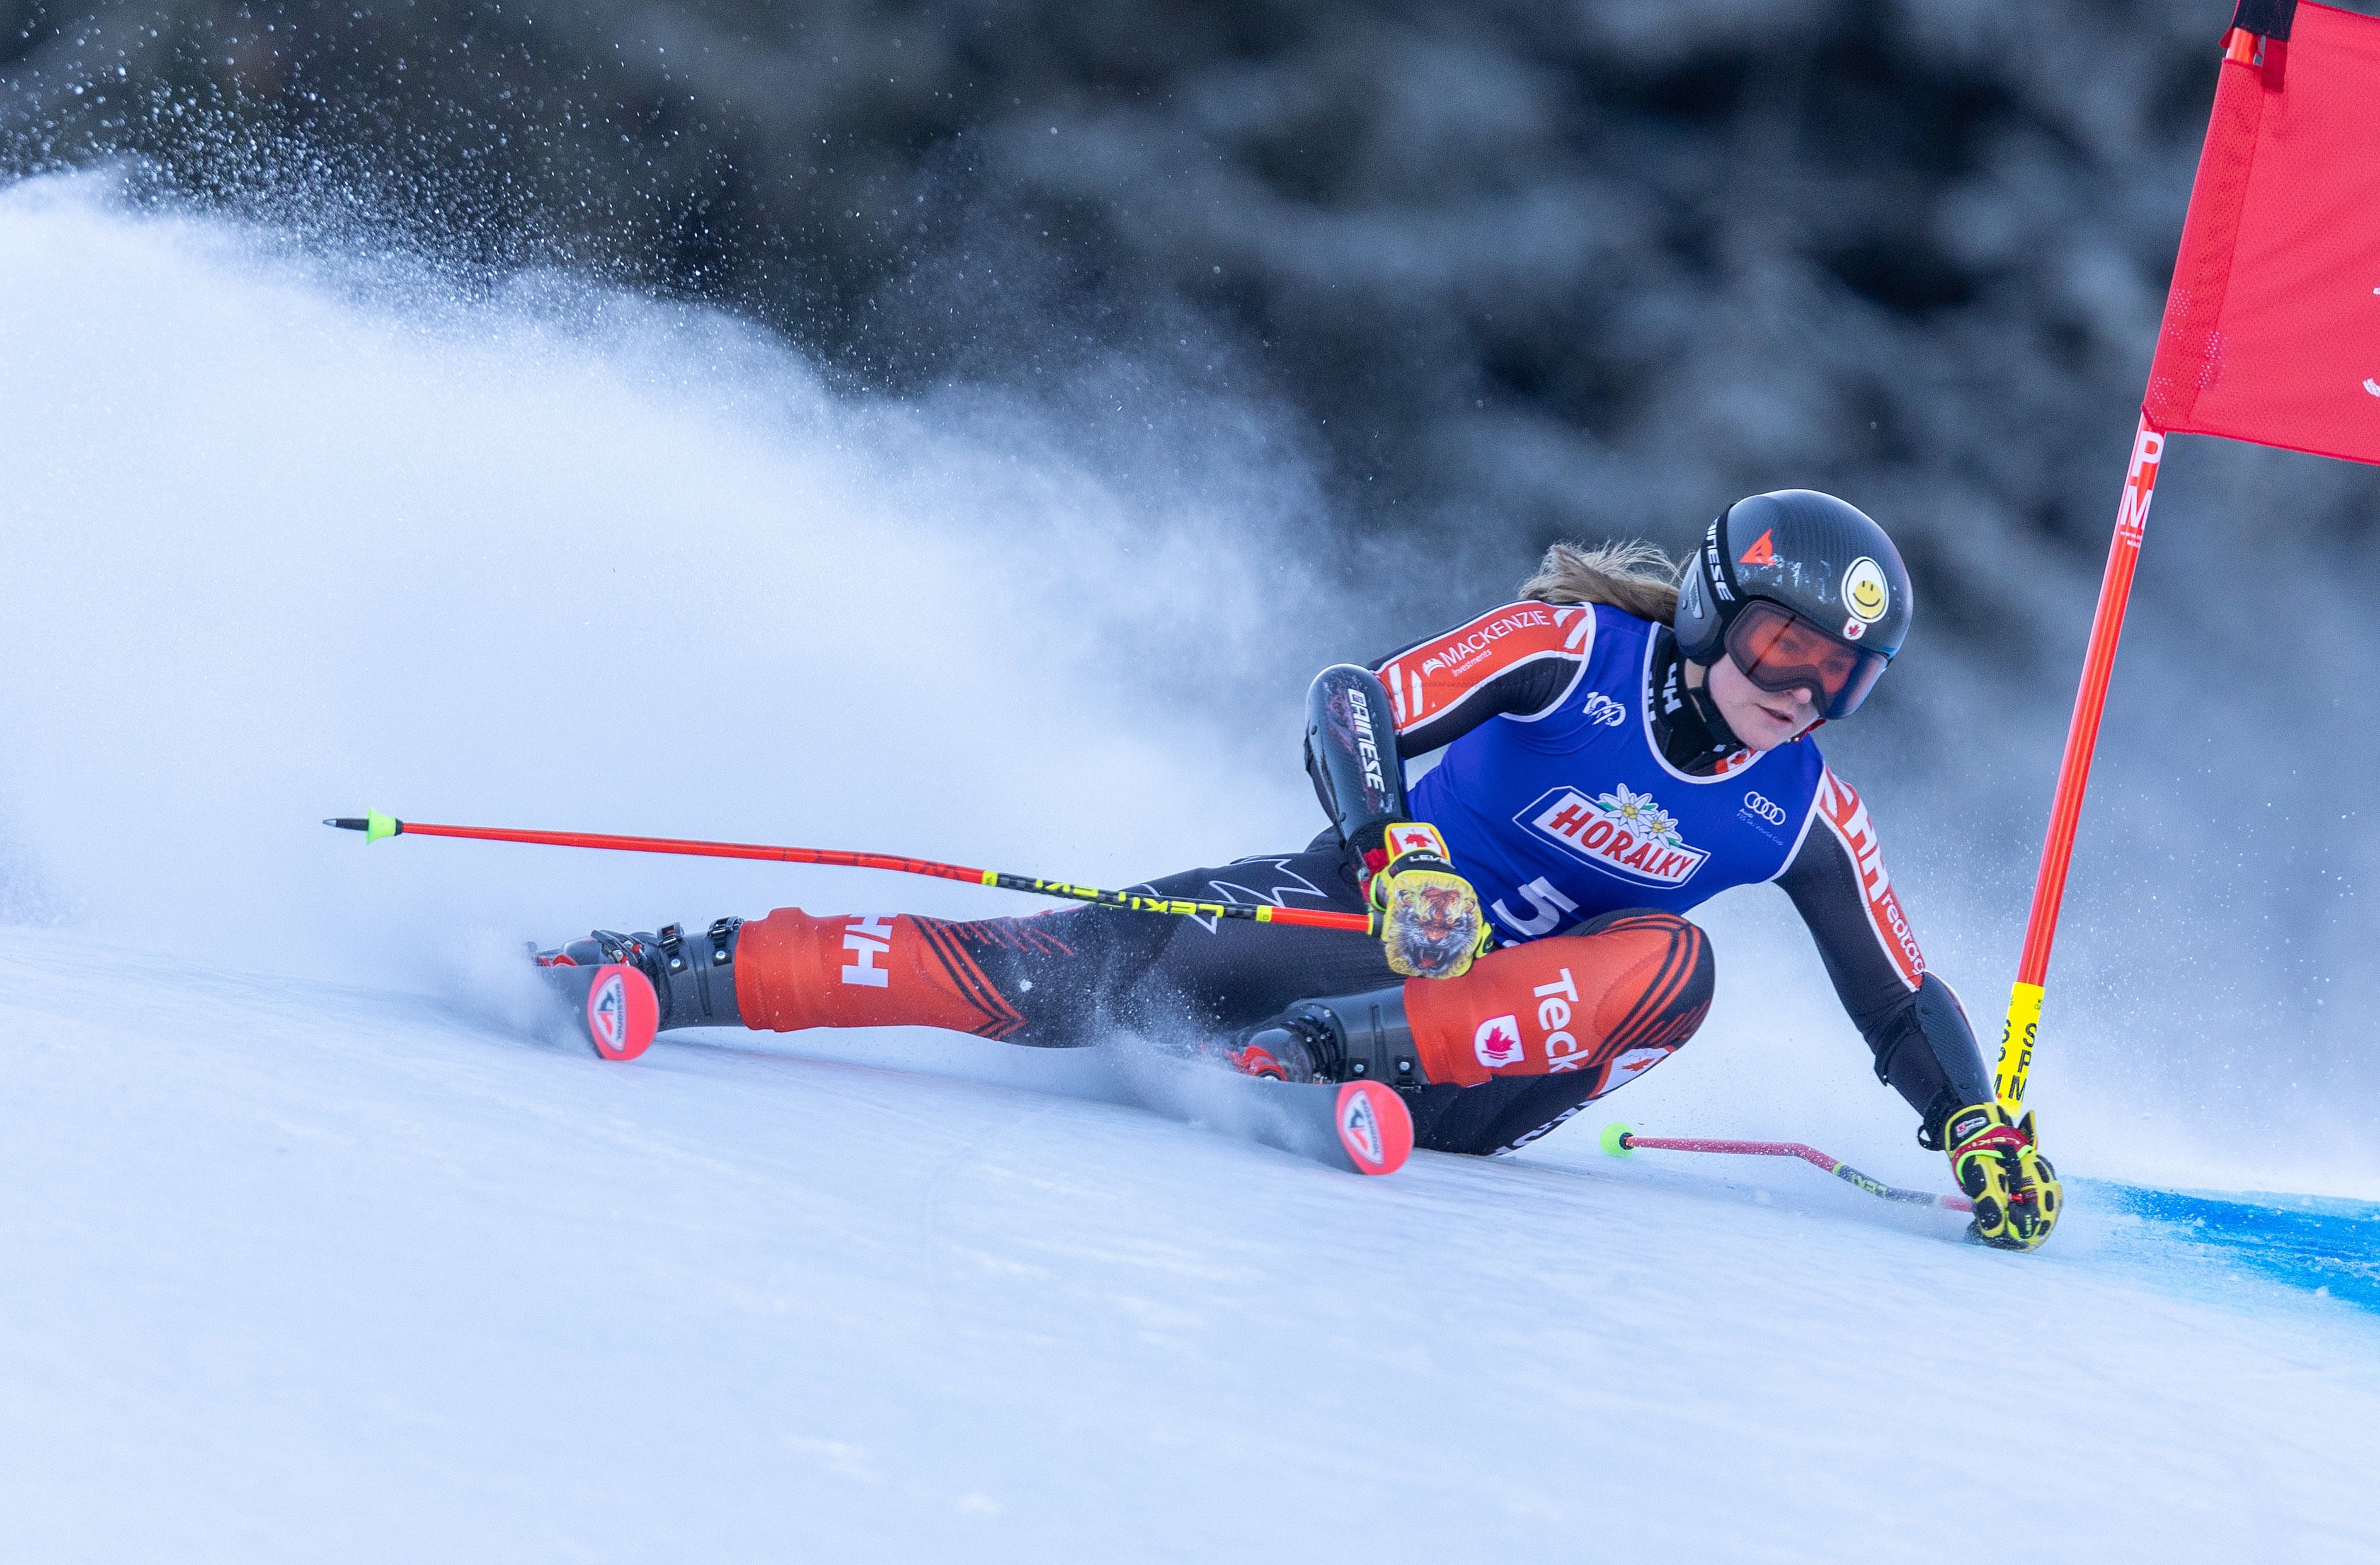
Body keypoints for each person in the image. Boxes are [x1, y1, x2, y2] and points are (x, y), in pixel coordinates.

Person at [540, 491, 2061, 1249]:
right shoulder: (1568, 650)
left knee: (1680, 967)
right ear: (1716, 612)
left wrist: (1968, 1123)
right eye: (1787, 648)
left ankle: (1349, 1058)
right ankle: (687, 970)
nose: (1802, 693)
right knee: (1052, 977)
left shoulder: (1803, 813)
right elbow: (1356, 701)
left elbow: (1894, 994)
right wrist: (1397, 853)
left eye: (1842, 678)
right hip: (1355, 933)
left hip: (1483, 1067)